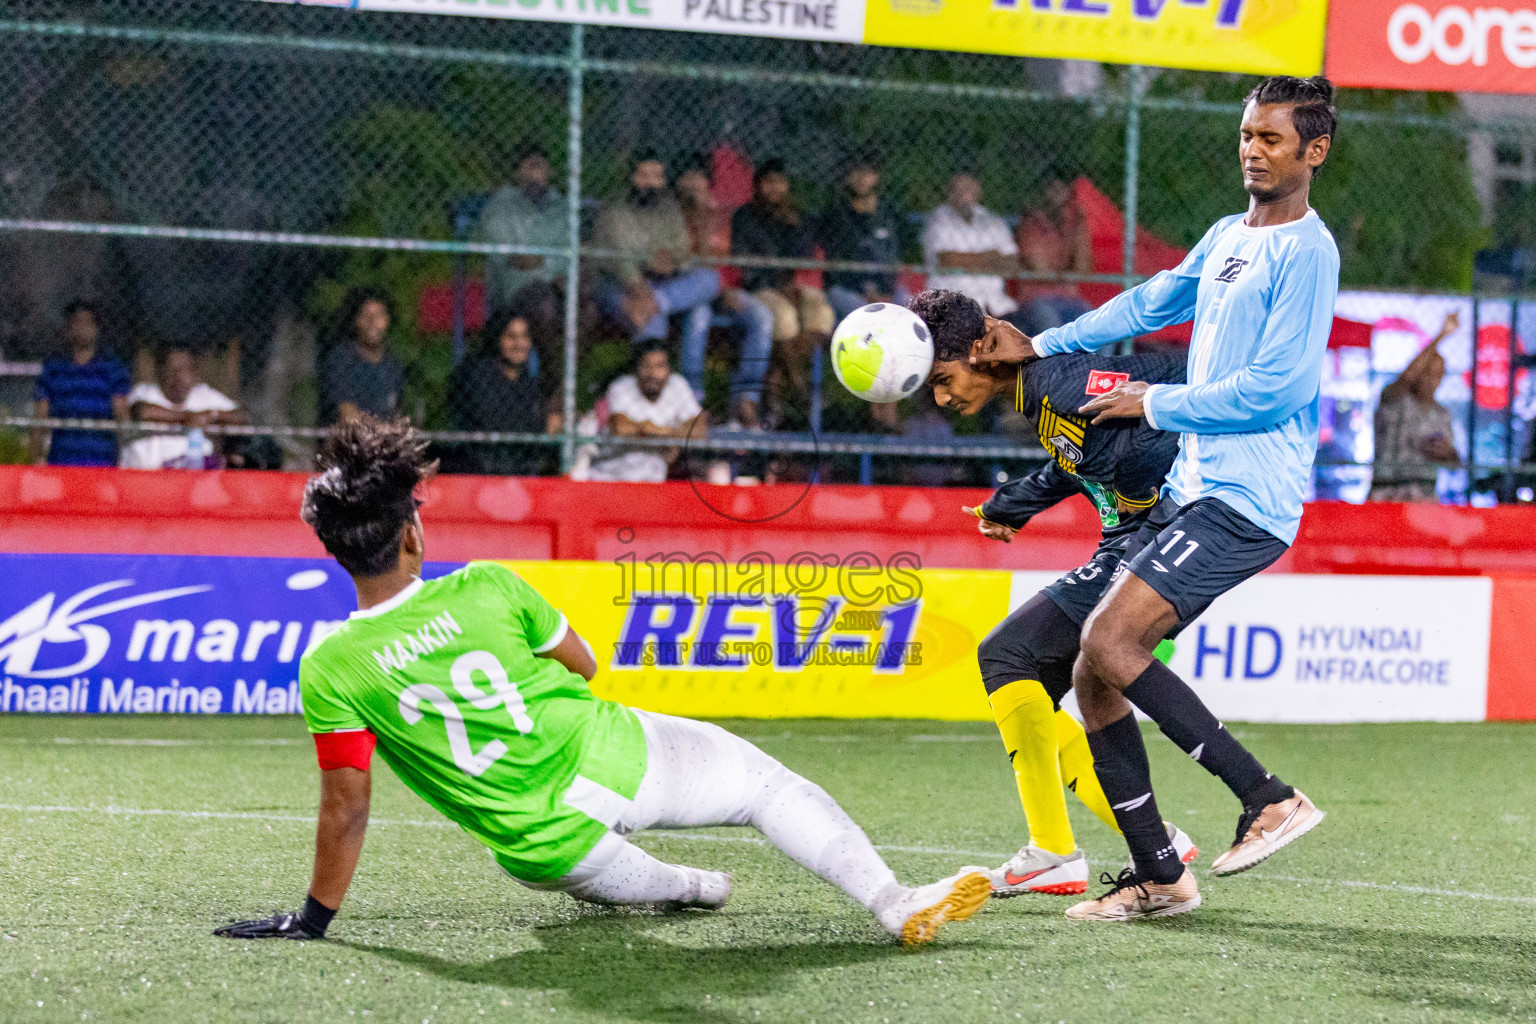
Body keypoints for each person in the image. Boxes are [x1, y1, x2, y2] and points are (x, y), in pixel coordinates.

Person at [212, 415, 989, 946]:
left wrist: (313, 921)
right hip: (615, 758)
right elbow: (583, 664)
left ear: (337, 551)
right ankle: (893, 904)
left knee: (682, 887)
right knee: (764, 788)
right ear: (412, 533)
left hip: (546, 850)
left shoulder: (330, 667)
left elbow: (347, 811)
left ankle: (689, 885)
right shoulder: (488, 585)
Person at [973, 76, 1339, 921]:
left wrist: (1154, 402)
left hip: (1249, 498)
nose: (1252, 148)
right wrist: (1045, 345)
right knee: (1090, 669)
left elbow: (1276, 389)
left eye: (1272, 139)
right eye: (1247, 133)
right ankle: (1162, 876)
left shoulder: (1308, 252)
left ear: (1312, 152)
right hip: (1194, 489)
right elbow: (1154, 300)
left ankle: (1269, 798)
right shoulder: (1228, 234)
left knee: (1111, 638)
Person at [908, 288, 1196, 897]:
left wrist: (1142, 517)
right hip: (1140, 539)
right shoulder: (1041, 390)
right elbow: (1084, 452)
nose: (941, 396)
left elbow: (1147, 429)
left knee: (1007, 656)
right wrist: (1014, 503)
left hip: (1157, 540)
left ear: (981, 349)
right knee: (1024, 676)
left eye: (942, 378)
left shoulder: (1053, 385)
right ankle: (1114, 840)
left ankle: (1080, 847)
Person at [594, 151, 719, 400]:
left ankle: (691, 399)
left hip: (661, 285)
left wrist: (671, 261)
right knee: (657, 321)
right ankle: (651, 400)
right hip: (618, 284)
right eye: (644, 175)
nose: (650, 183)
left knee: (709, 281)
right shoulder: (616, 209)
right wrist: (643, 279)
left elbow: (682, 249)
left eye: (656, 176)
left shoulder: (668, 208)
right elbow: (623, 260)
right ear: (631, 177)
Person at [675, 153, 774, 428]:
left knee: (761, 316)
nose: (694, 184)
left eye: (700, 178)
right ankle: (693, 400)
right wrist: (699, 220)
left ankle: (747, 399)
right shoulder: (673, 215)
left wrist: (727, 287)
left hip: (726, 290)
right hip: (694, 294)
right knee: (699, 317)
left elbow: (733, 264)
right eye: (688, 178)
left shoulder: (725, 216)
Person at [730, 158, 836, 407]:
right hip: (760, 287)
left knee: (821, 312)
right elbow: (746, 266)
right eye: (768, 182)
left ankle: (781, 385)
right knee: (786, 317)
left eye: (780, 182)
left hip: (795, 285)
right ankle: (800, 386)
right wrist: (780, 285)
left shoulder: (797, 217)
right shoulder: (745, 217)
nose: (774, 188)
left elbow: (806, 257)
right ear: (758, 185)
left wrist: (791, 226)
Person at [477, 144, 568, 388]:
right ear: (518, 172)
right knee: (544, 308)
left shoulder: (560, 207)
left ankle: (564, 387)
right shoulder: (501, 206)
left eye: (542, 167)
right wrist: (550, 264)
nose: (536, 175)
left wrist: (543, 262)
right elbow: (513, 259)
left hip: (558, 286)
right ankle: (549, 388)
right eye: (531, 167)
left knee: (588, 311)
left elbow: (569, 253)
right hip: (516, 290)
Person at [444, 308, 557, 477]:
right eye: (511, 337)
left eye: (524, 336)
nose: (519, 344)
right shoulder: (478, 376)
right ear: (497, 339)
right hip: (484, 470)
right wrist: (543, 427)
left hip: (521, 470)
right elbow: (495, 424)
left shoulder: (528, 381)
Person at [1368, 312, 1460, 502]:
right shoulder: (1394, 400)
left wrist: (1445, 453)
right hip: (1387, 494)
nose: (1430, 379)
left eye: (1436, 374)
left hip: (1424, 499)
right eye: (1426, 372)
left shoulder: (1442, 414)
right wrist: (1441, 336)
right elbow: (1406, 378)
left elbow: (1454, 463)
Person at [583, 342, 703, 483]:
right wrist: (668, 436)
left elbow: (698, 430)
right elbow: (621, 428)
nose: (652, 373)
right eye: (646, 366)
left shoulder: (677, 386)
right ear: (637, 368)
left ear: (669, 369)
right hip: (609, 475)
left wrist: (652, 430)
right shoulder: (622, 386)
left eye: (659, 366)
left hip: (653, 479)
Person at [29, 300, 131, 467]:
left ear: (97, 329)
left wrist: (122, 461)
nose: (82, 328)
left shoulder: (113, 369)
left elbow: (121, 416)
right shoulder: (54, 369)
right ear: (68, 329)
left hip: (102, 463)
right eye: (76, 322)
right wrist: (35, 461)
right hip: (62, 462)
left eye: (88, 323)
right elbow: (40, 418)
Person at [121, 343, 248, 470]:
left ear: (194, 373)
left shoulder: (204, 395)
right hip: (144, 476)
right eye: (173, 369)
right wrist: (186, 418)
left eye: (184, 370)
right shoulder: (146, 392)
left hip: (194, 479)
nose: (179, 377)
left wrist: (213, 415)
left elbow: (243, 416)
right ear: (162, 370)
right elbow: (141, 412)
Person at [922, 173, 1025, 328]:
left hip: (998, 305)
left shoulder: (992, 221)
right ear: (950, 191)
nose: (966, 192)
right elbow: (948, 261)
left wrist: (967, 261)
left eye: (970, 186)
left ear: (978, 189)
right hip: (954, 305)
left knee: (1036, 319)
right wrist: (992, 257)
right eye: (960, 188)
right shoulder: (938, 220)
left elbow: (1012, 264)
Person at [818, 153, 908, 325]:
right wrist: (867, 293)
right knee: (869, 316)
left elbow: (893, 257)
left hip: (884, 288)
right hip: (846, 288)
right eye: (856, 173)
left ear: (876, 177)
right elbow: (835, 266)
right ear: (848, 177)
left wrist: (885, 292)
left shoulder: (888, 213)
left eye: (867, 173)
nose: (862, 178)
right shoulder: (837, 213)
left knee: (911, 307)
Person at [1014, 171, 1094, 333]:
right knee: (1052, 325)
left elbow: (1083, 269)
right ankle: (1059, 360)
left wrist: (1079, 230)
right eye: (1053, 190)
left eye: (1063, 191)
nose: (1058, 196)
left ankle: (1090, 360)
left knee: (1097, 326)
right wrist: (1064, 274)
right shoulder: (1031, 223)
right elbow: (1041, 271)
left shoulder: (1072, 223)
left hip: (1069, 299)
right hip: (1038, 298)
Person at [319, 289, 405, 427]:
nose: (373, 322)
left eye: (379, 315)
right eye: (366, 315)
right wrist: (382, 430)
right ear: (356, 320)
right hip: (350, 445)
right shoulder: (341, 360)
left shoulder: (392, 365)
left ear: (387, 319)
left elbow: (396, 415)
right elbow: (348, 417)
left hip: (383, 443)